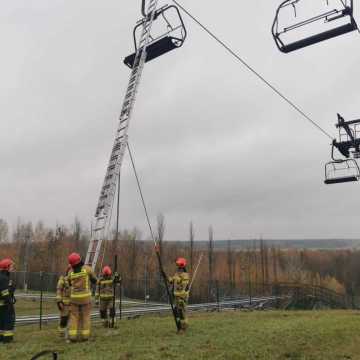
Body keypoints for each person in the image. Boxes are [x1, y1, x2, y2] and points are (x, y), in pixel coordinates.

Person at [67, 253, 97, 342]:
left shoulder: (70, 272)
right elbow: (94, 280)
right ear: (80, 260)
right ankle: (85, 337)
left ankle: (72, 336)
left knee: (74, 317)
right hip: (85, 298)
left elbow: (68, 282)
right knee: (86, 316)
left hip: (74, 299)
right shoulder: (87, 269)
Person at [168, 257, 190, 332]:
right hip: (176, 296)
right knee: (176, 312)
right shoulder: (177, 274)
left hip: (182, 297)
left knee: (181, 313)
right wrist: (166, 277)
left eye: (179, 265)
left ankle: (183, 328)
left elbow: (184, 287)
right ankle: (179, 327)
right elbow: (172, 280)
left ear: (183, 266)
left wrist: (180, 296)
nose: (178, 267)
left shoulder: (185, 275)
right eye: (177, 265)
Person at [0, 258, 16, 343]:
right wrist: (9, 301)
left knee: (1, 322)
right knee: (9, 321)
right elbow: (4, 292)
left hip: (2, 305)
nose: (12, 268)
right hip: (6, 305)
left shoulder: (3, 276)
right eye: (11, 266)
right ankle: (7, 339)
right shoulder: (4, 278)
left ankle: (1, 338)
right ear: (6, 267)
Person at [56, 266, 71, 337]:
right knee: (64, 319)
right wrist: (59, 302)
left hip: (74, 304)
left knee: (73, 320)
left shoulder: (76, 280)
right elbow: (59, 290)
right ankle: (61, 332)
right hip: (65, 304)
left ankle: (69, 333)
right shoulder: (63, 279)